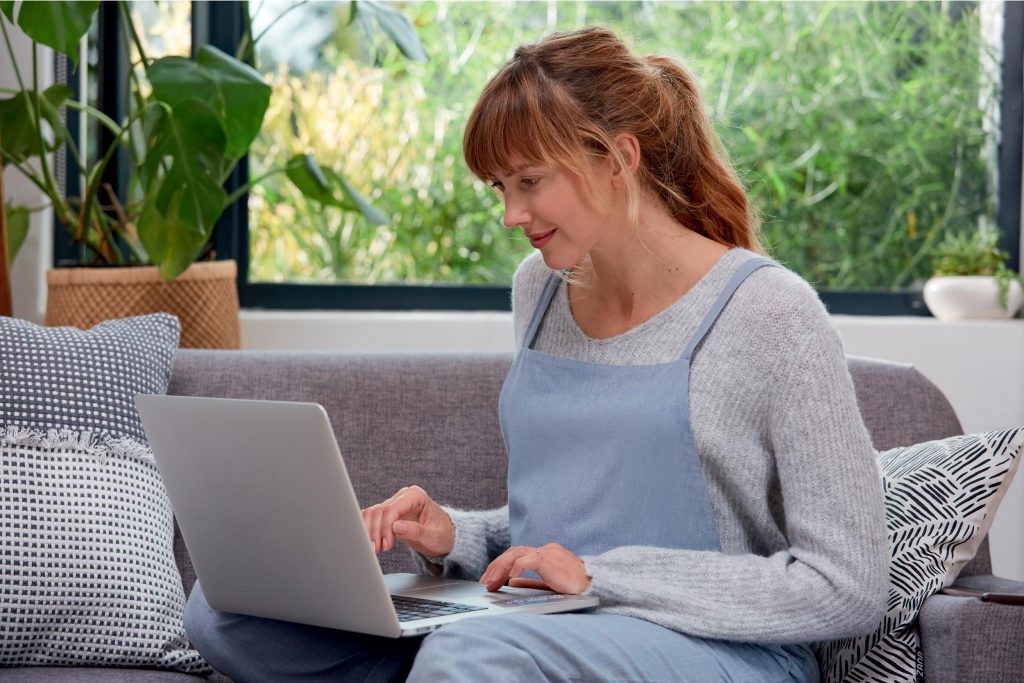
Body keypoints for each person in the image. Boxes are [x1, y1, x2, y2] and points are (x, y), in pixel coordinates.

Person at [184, 26, 888, 682]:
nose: (510, 216)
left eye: (529, 181)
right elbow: (559, 535)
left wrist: (603, 579)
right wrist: (451, 531)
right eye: (499, 187)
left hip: (719, 649)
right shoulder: (541, 288)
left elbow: (849, 586)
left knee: (471, 655)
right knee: (226, 611)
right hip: (537, 629)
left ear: (618, 158)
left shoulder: (771, 313)